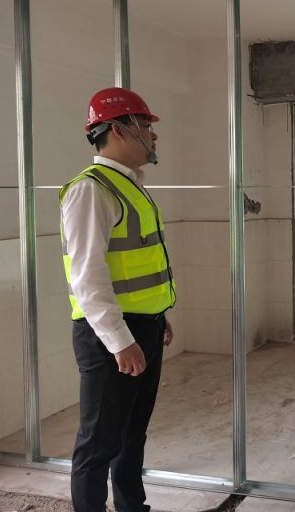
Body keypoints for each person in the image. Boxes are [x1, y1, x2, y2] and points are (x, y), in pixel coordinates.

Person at [60, 87, 176, 512]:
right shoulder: (91, 190)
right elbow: (87, 277)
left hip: (142, 325)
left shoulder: (131, 186)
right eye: (145, 125)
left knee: (131, 436)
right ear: (119, 130)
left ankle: (132, 508)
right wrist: (120, 340)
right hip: (108, 335)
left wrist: (156, 315)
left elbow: (133, 265)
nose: (153, 135)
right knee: (99, 444)